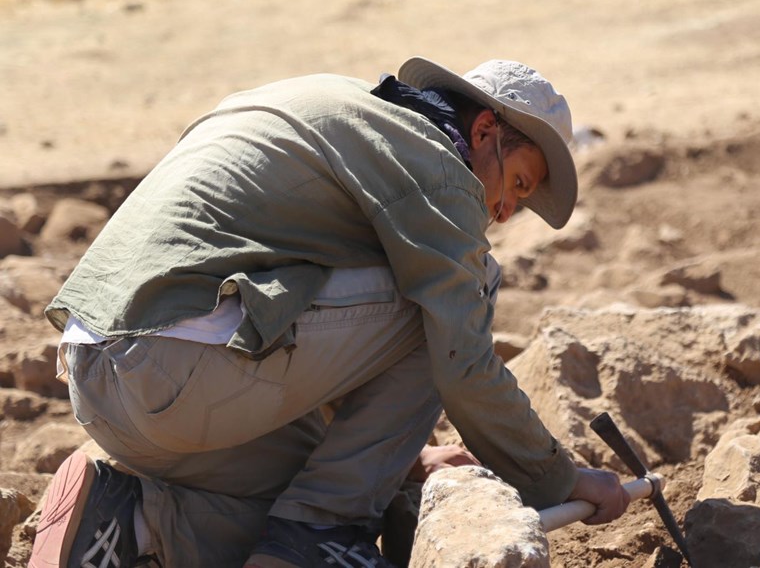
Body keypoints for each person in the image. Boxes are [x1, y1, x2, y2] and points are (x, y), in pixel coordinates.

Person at [28, 57, 630, 568]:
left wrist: (401, 458)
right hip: (171, 368)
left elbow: (301, 307)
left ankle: (129, 525)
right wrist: (559, 479)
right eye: (519, 186)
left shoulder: (339, 108)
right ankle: (321, 538)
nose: (503, 213)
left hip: (101, 378)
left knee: (297, 491)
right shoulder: (439, 171)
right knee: (465, 288)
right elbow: (462, 361)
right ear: (484, 131)